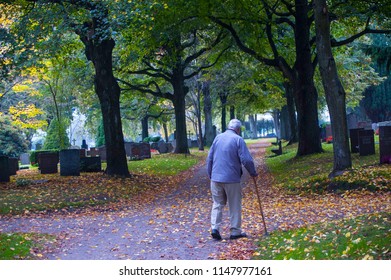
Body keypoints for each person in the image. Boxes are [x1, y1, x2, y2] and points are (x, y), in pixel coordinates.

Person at [207, 119, 258, 240]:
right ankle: (235, 231)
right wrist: (253, 172)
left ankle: (215, 228)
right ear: (238, 129)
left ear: (228, 127)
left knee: (217, 203)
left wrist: (211, 175)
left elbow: (209, 158)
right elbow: (246, 159)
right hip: (232, 179)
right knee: (234, 204)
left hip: (216, 178)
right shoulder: (238, 139)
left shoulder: (217, 138)